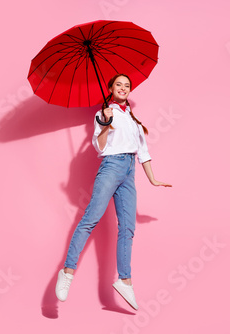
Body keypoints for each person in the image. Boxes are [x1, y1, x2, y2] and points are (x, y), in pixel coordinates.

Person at [55, 73, 171, 310]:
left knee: (127, 227)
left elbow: (143, 152)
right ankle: (67, 272)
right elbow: (99, 145)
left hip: (129, 170)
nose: (123, 88)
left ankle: (125, 280)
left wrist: (153, 179)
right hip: (111, 166)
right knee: (90, 219)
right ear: (110, 88)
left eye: (127, 85)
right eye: (119, 84)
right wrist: (105, 123)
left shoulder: (132, 118)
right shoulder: (104, 113)